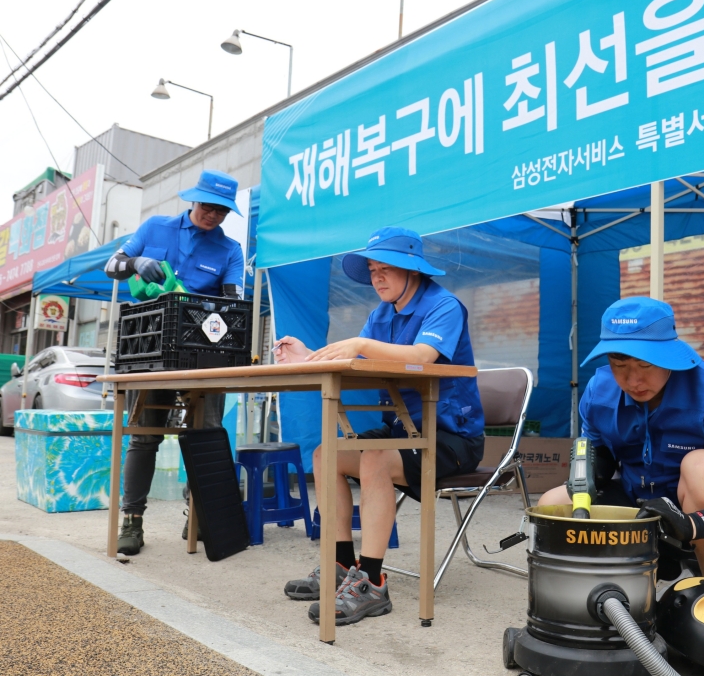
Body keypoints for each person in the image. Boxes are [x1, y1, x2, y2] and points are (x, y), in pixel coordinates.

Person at [276, 227, 484, 627]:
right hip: (402, 430)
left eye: (387, 268)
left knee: (373, 460)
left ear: (415, 270)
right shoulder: (380, 315)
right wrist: (308, 356)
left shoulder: (444, 306)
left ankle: (371, 583)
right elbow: (354, 360)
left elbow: (422, 356)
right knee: (326, 454)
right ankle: (339, 564)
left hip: (451, 437)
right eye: (373, 269)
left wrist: (360, 344)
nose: (377, 278)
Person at [537, 297, 704, 581]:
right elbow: (600, 457)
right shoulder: (598, 391)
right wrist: (588, 480)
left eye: (645, 364)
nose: (633, 380)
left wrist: (689, 525)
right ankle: (594, 592)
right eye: (619, 362)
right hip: (641, 508)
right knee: (553, 502)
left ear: (669, 355)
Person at [104, 169, 245, 555]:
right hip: (150, 349)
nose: (213, 214)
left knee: (207, 433)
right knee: (144, 436)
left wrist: (207, 307)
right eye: (208, 206)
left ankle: (197, 516)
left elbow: (232, 304)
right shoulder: (155, 228)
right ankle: (132, 521)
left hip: (202, 355)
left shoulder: (230, 250)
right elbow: (112, 266)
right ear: (193, 200)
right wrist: (135, 265)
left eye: (221, 210)